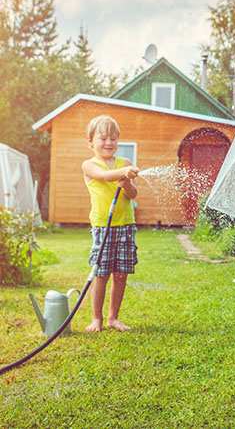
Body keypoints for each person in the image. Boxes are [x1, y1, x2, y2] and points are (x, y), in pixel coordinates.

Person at [82, 115, 140, 333]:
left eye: (113, 139)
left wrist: (127, 184)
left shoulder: (124, 163)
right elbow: (104, 177)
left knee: (121, 273)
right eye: (103, 138)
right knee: (101, 273)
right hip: (102, 227)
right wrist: (123, 173)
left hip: (126, 224)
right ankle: (96, 318)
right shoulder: (89, 165)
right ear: (91, 142)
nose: (109, 143)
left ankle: (113, 318)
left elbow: (133, 194)